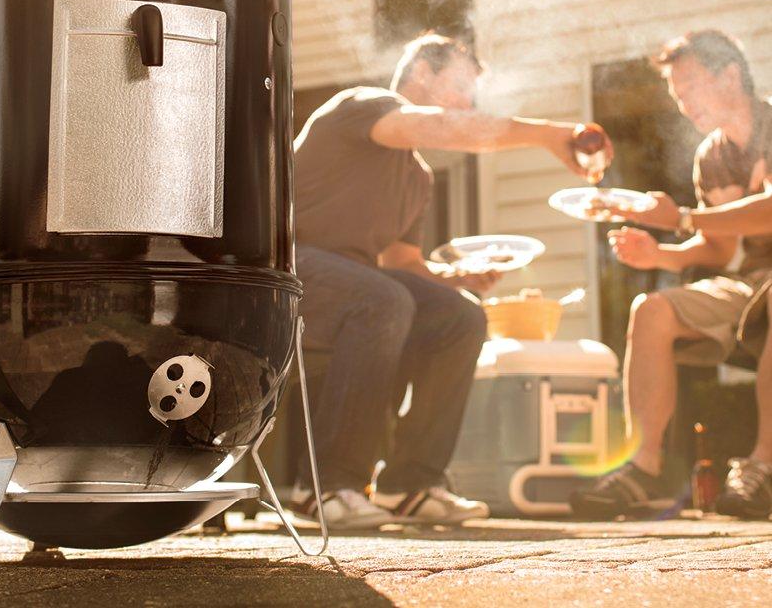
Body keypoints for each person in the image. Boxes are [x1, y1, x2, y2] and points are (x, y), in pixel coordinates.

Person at [290, 32, 611, 529]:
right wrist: (549, 133)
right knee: (383, 299)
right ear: (421, 74)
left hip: (357, 289)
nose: (466, 103)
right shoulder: (363, 106)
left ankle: (409, 483)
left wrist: (456, 277)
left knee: (458, 314)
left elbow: (403, 264)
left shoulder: (416, 178)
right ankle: (328, 486)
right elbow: (447, 127)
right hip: (283, 273)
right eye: (459, 86)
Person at [572, 30, 772, 520]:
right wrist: (658, 254)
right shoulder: (712, 156)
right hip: (748, 283)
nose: (684, 104)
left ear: (730, 75)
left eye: (691, 87)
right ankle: (644, 468)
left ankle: (763, 466)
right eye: (678, 96)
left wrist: (681, 218)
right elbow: (720, 246)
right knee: (653, 310)